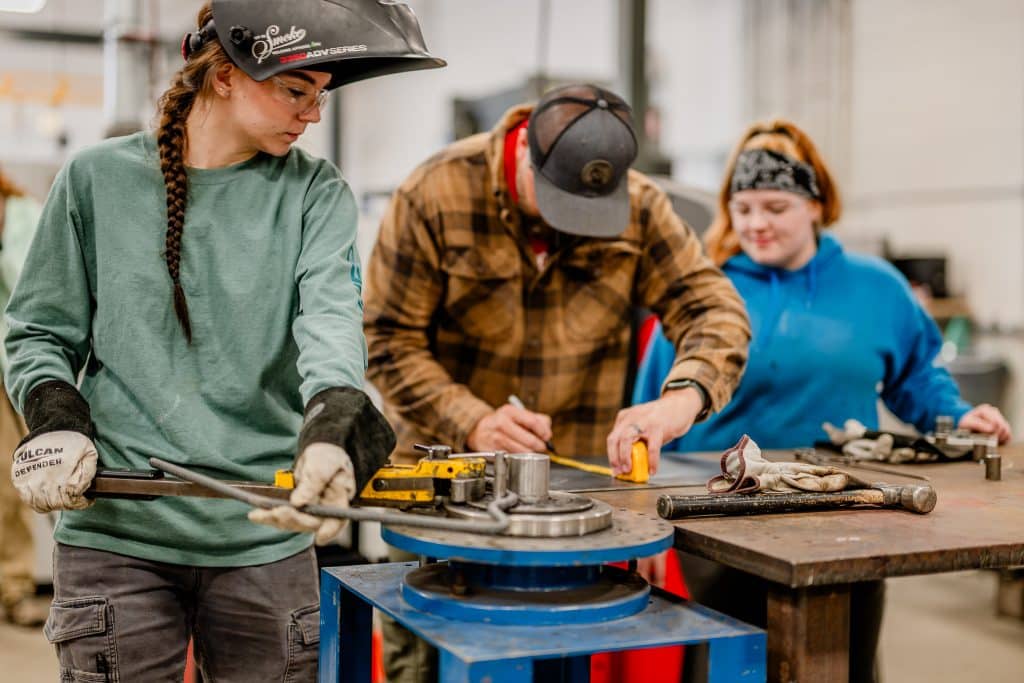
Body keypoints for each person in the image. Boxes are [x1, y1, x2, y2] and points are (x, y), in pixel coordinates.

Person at [4, 1, 442, 680]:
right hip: (118, 531)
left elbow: (331, 323)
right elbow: (37, 330)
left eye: (320, 96)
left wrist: (332, 428)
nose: (312, 115)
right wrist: (55, 421)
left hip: (264, 533)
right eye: (297, 90)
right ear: (225, 74)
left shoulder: (315, 193)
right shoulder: (94, 181)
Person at [363, 84, 751, 682]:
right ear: (524, 154)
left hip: (577, 501)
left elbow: (714, 311)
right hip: (445, 497)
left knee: (568, 663)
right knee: (426, 663)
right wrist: (470, 418)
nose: (566, 221)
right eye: (557, 199)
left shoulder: (640, 207)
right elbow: (387, 340)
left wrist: (681, 400)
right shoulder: (435, 192)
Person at [632, 118, 1012, 683]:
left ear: (816, 204)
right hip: (721, 522)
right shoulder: (705, 295)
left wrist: (958, 416)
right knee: (733, 668)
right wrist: (643, 526)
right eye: (743, 208)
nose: (756, 224)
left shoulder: (876, 287)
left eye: (775, 207)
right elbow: (653, 412)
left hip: (848, 516)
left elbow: (917, 379)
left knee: (845, 664)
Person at [0, 166, 48, 628]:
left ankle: (14, 587)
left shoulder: (23, 216)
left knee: (15, 481)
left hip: (19, 371)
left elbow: (32, 291)